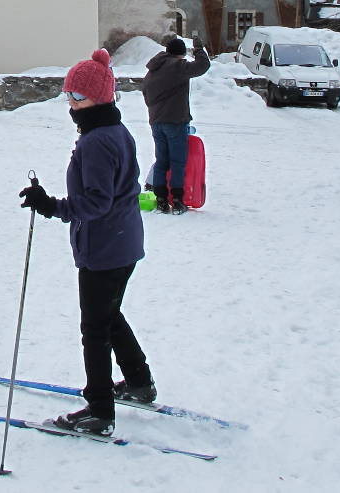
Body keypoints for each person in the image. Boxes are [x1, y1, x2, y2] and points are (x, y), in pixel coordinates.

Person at [17, 49, 155, 438]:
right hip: (122, 242)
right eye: (69, 96)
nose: (71, 104)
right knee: (109, 316)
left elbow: (95, 202)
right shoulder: (115, 131)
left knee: (95, 327)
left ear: (100, 97)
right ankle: (140, 382)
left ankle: (99, 410)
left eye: (78, 97)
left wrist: (50, 206)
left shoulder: (97, 141)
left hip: (104, 247)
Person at [141, 34, 210, 214]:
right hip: (175, 121)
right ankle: (178, 199)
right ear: (180, 54)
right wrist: (199, 50)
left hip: (156, 122)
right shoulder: (177, 66)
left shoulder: (153, 70)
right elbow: (202, 66)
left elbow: (145, 93)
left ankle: (161, 199)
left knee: (161, 161)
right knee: (178, 161)